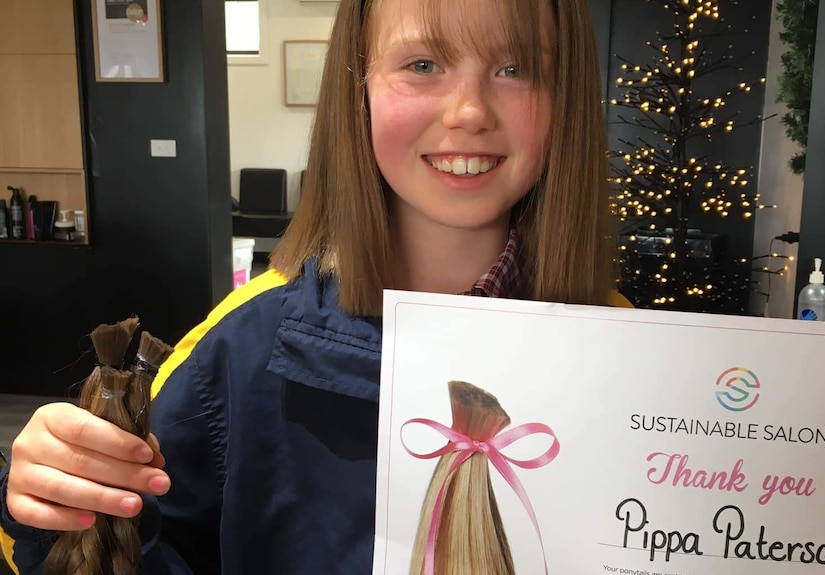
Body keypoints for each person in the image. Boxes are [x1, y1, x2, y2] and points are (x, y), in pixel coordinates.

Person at [0, 0, 629, 572]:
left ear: (566, 96)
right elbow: (137, 554)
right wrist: (53, 506)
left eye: (516, 67)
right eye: (422, 63)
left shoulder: (634, 361)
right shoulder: (241, 348)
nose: (468, 111)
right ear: (357, 89)